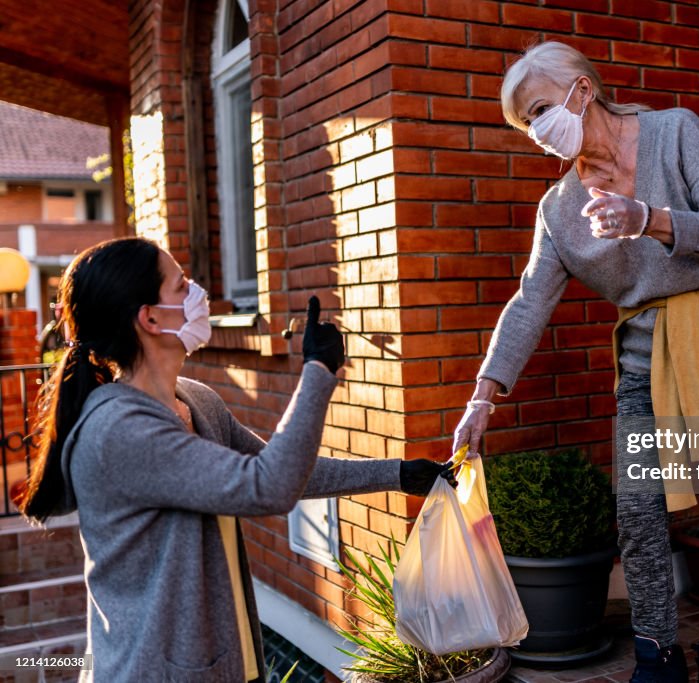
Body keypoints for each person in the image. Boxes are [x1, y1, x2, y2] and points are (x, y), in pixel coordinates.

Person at [452, 42, 699, 683]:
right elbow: (530, 301)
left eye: (538, 112)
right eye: (523, 125)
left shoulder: (675, 132)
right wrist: (483, 394)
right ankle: (657, 656)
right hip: (648, 362)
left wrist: (647, 217)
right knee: (640, 514)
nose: (536, 133)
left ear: (582, 91)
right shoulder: (559, 211)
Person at [18, 237, 454, 683]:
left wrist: (398, 474)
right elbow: (270, 486)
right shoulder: (120, 431)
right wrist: (318, 373)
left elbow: (285, 470)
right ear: (149, 318)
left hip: (224, 662)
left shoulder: (196, 401)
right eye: (181, 285)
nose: (198, 294)